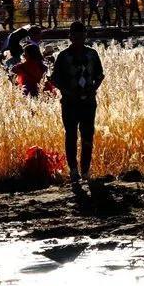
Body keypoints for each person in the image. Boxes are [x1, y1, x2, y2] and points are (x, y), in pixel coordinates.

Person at [50, 21, 104, 185]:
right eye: (75, 36)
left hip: (88, 102)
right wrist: (68, 93)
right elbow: (55, 79)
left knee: (88, 136)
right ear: (70, 37)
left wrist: (93, 89)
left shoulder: (92, 55)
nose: (78, 39)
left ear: (85, 36)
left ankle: (85, 171)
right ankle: (73, 171)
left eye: (81, 35)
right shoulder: (63, 56)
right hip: (69, 102)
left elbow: (100, 75)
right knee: (71, 135)